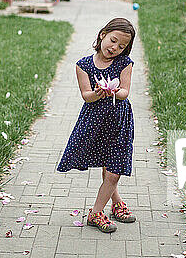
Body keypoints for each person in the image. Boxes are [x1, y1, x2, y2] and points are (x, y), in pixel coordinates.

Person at [57, 17, 137, 233]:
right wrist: (97, 93)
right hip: (95, 122)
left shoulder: (124, 63)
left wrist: (114, 92)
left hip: (119, 122)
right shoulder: (83, 65)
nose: (115, 48)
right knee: (107, 165)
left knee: (113, 171)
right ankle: (116, 203)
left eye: (122, 46)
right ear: (102, 34)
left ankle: (95, 213)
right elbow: (86, 96)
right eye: (113, 41)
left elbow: (125, 92)